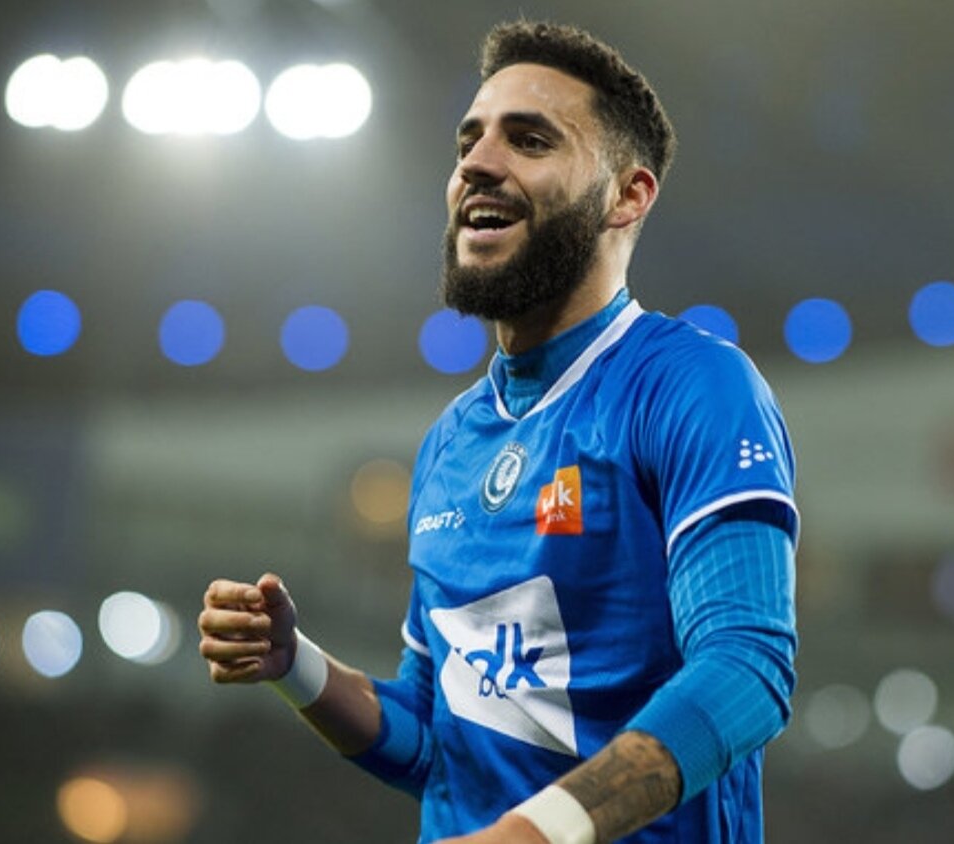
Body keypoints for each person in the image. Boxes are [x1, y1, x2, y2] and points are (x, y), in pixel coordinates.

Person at [198, 20, 798, 844]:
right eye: (468, 141)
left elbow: (746, 669)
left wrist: (536, 833)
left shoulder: (690, 385)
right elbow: (435, 738)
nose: (477, 164)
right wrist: (294, 663)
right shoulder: (450, 442)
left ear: (627, 195)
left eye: (530, 140)